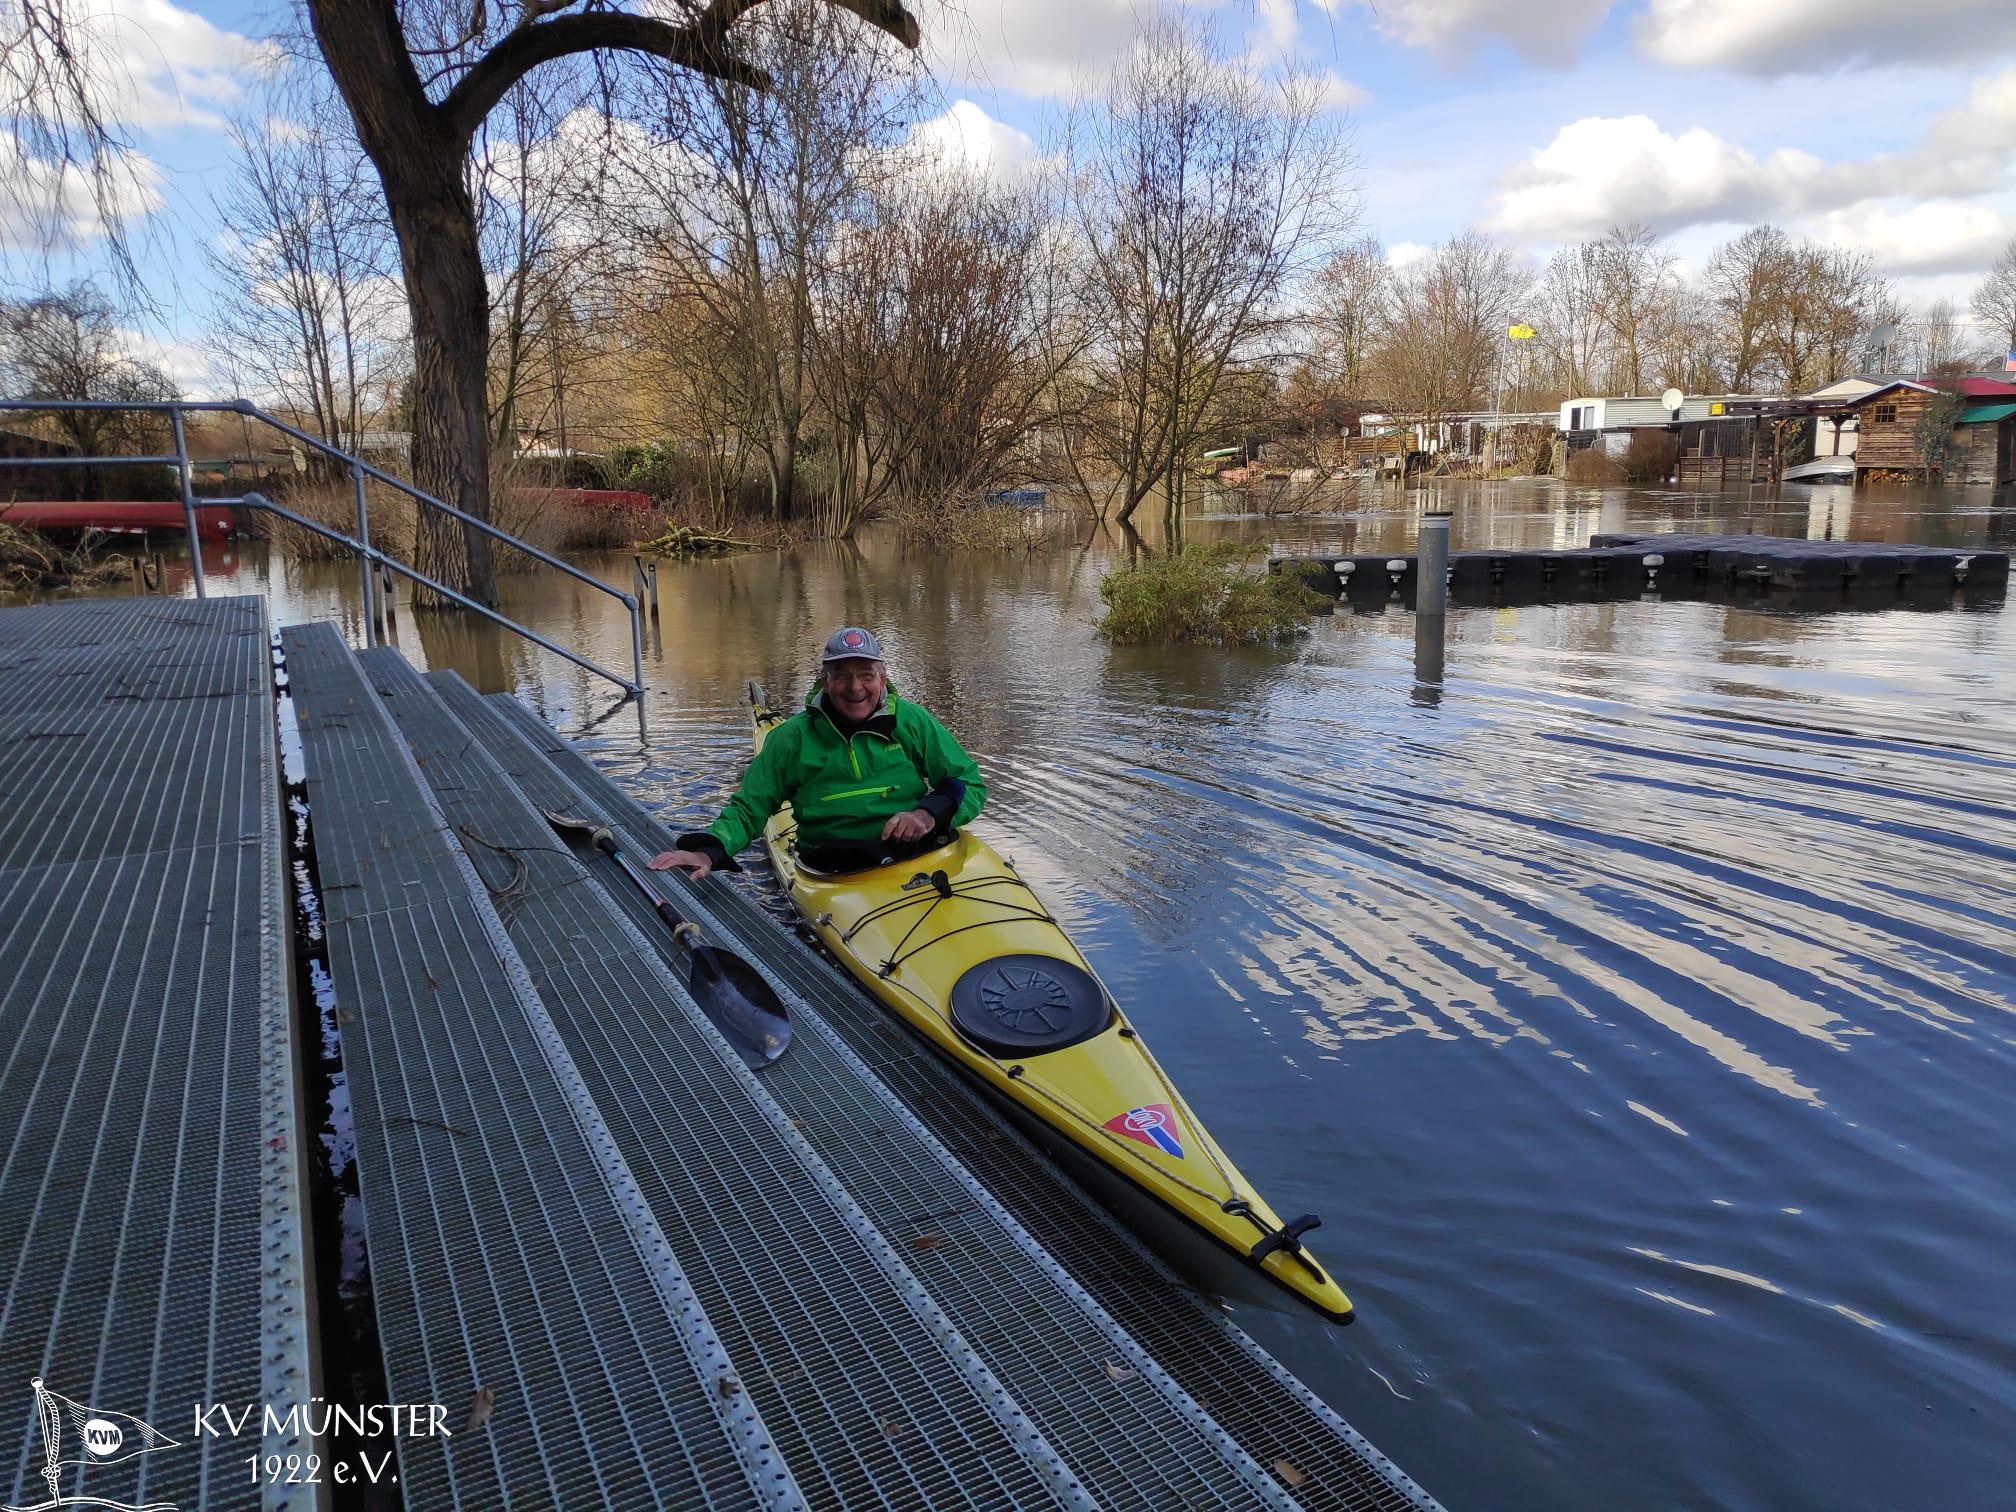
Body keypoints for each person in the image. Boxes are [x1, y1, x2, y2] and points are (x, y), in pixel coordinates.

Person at [648, 627, 986, 880]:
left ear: (882, 679)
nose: (855, 688)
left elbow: (969, 782)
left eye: (866, 675)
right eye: (842, 676)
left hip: (917, 855)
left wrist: (928, 814)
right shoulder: (790, 740)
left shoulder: (912, 721)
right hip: (833, 867)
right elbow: (749, 808)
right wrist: (710, 850)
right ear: (825, 681)